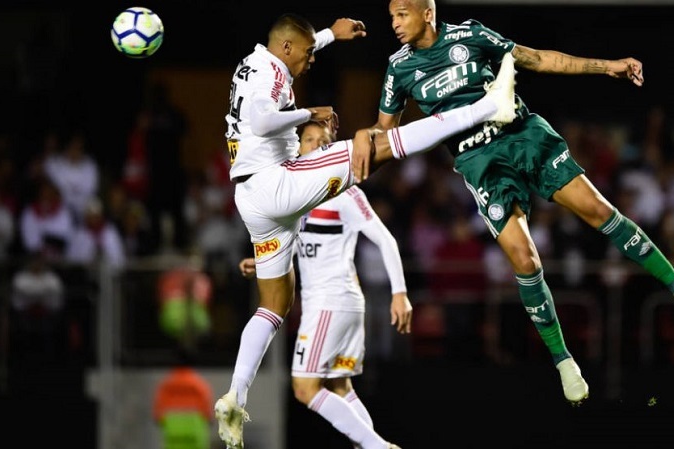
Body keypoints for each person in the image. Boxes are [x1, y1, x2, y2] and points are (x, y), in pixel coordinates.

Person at [368, 0, 674, 405]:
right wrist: (348, 164)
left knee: (599, 211)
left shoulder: (470, 35)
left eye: (401, 14)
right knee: (524, 259)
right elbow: (385, 136)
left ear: (426, 12)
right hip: (480, 161)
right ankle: (564, 362)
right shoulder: (399, 68)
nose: (394, 24)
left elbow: (536, 59)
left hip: (524, 136)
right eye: (392, 17)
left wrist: (607, 66)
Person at [215, 11, 518, 449]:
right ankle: (489, 106)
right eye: (305, 53)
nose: (310, 60)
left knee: (275, 303)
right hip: (276, 179)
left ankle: (236, 394)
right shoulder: (273, 72)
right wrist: (307, 113)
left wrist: (328, 36)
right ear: (284, 51)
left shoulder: (257, 61)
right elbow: (263, 119)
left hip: (252, 199)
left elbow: (296, 46)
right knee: (374, 145)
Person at [237, 120, 411, 448]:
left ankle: (378, 447)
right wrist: (261, 262)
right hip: (338, 304)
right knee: (340, 386)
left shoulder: (342, 191)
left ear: (332, 149)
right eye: (309, 139)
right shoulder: (295, 195)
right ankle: (371, 445)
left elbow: (386, 240)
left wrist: (399, 293)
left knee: (304, 388)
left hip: (332, 302)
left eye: (323, 141)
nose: (315, 145)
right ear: (297, 147)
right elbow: (294, 242)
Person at [153, 359, 215, 449]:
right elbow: (206, 407)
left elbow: (158, 411)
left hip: (172, 430)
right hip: (195, 429)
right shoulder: (198, 384)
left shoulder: (166, 385)